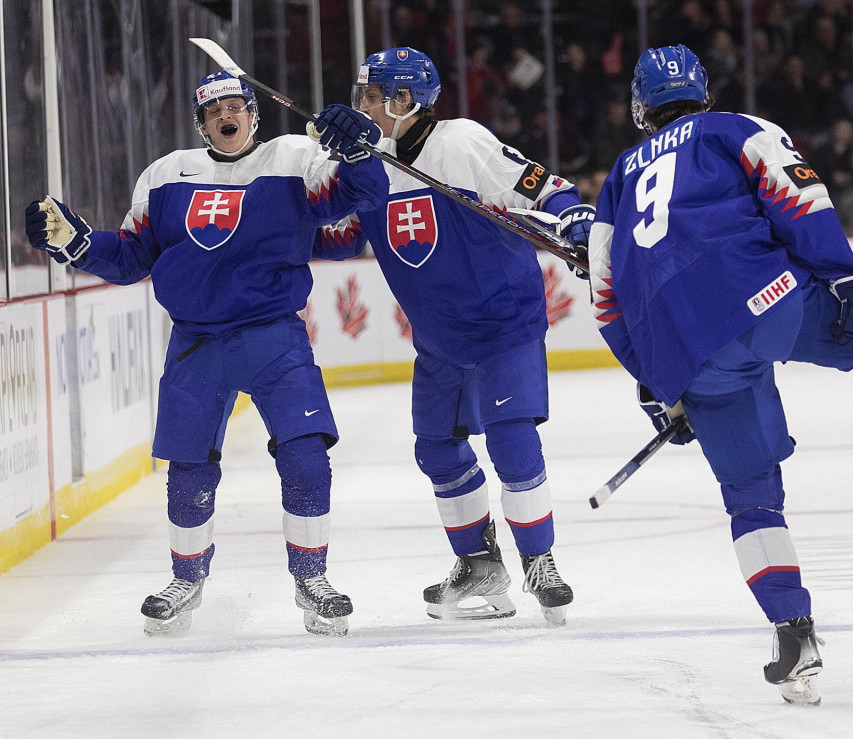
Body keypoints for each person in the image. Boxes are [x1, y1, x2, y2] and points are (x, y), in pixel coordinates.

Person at [586, 45, 853, 705]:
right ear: (701, 90)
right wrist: (842, 278)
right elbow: (798, 198)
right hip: (760, 296)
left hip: (683, 353)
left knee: (751, 496)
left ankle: (794, 637)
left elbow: (607, 303)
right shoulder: (735, 128)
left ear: (641, 106)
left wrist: (658, 384)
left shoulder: (617, 178)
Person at [24, 71, 388, 637]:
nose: (227, 114)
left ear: (253, 114)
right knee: (190, 469)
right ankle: (186, 580)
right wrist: (76, 242)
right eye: (215, 108)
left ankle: (312, 578)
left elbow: (359, 202)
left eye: (236, 105)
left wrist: (360, 150)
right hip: (198, 341)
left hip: (273, 336)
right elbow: (128, 258)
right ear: (202, 123)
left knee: (306, 455)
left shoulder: (294, 157)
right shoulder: (166, 175)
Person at [312, 48, 593, 626]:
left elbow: (542, 184)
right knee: (435, 448)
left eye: (372, 96)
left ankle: (540, 560)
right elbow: (333, 234)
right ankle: (479, 563)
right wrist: (333, 162)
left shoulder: (461, 141)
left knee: (511, 437)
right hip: (439, 338)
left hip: (504, 322)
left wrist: (573, 216)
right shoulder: (367, 165)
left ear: (404, 100)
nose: (363, 106)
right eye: (360, 96)